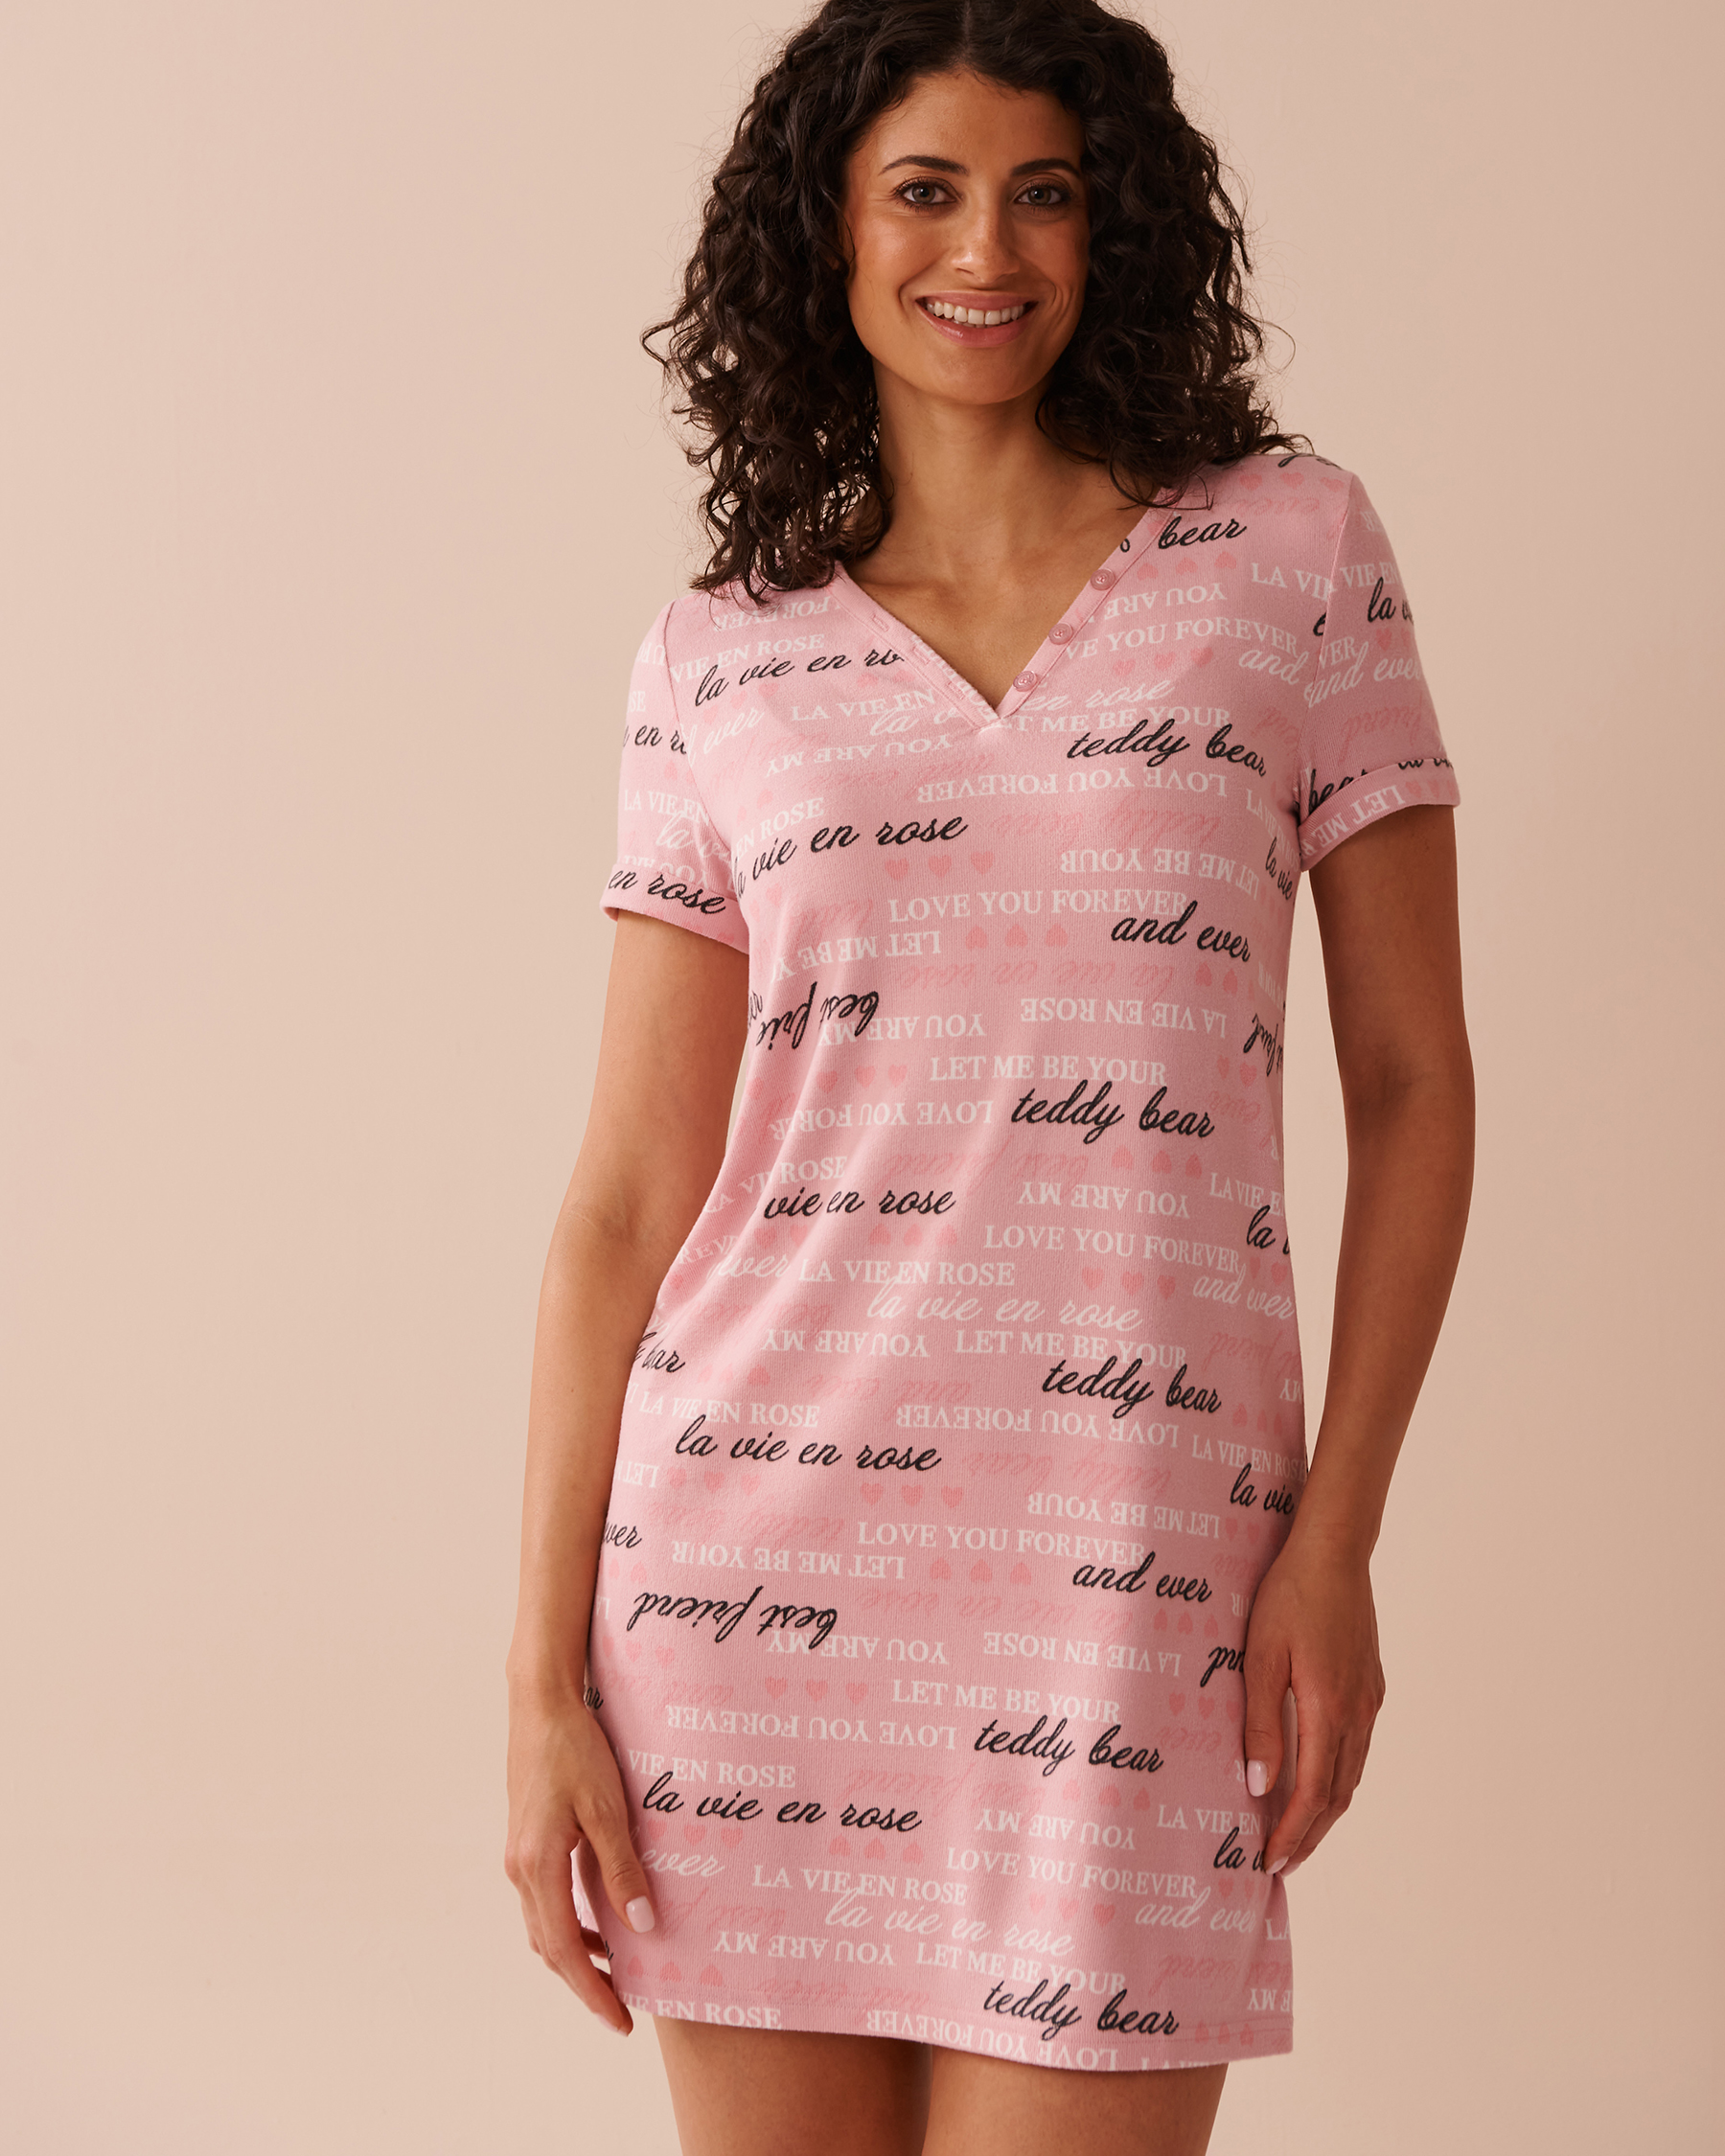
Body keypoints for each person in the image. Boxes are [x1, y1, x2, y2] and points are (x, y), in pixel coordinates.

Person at [504, 3, 1474, 2149]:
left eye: (1046, 192)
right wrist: (539, 1680)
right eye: (924, 192)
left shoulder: (1292, 558)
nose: (988, 249)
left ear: (1114, 230)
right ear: (830, 239)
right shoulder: (721, 657)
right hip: (745, 1595)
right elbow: (625, 1197)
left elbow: (1414, 1082)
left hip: (1132, 1594)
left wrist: (1335, 1537)